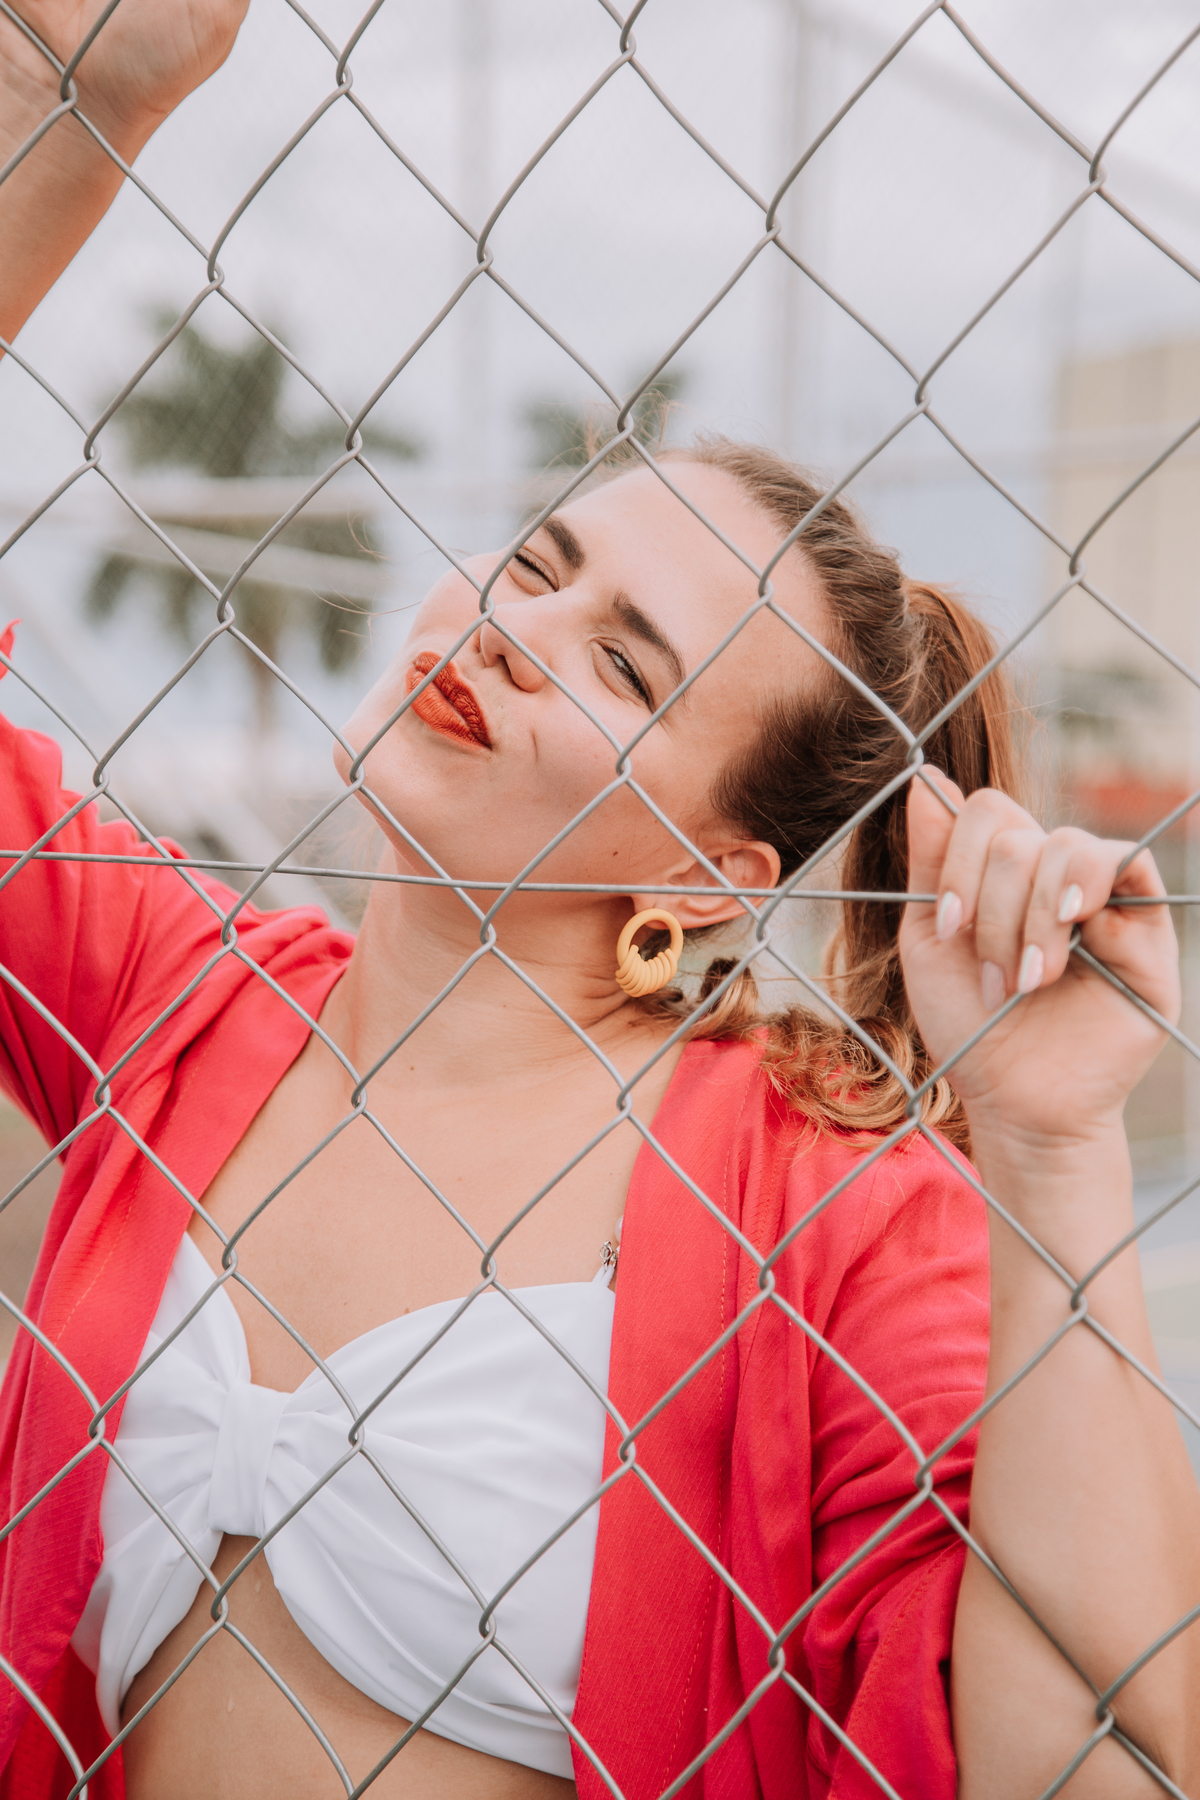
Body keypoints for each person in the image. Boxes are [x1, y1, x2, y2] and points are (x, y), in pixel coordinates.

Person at [1, 5, 1199, 1798]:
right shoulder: (192, 997)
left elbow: (1090, 1760)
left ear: (713, 876)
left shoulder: (836, 1205)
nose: (513, 626)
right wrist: (60, 98)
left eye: (625, 666)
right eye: (542, 564)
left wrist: (1052, 1161)